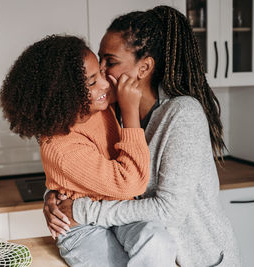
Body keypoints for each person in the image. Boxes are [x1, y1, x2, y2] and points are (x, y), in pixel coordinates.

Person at [44, 5, 242, 267]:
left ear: (144, 67)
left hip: (200, 259)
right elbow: (82, 167)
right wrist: (52, 197)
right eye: (100, 60)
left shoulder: (182, 115)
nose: (101, 71)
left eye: (110, 62)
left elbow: (168, 211)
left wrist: (80, 210)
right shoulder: (111, 112)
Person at [0, 34, 177, 266]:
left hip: (117, 210)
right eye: (93, 82)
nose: (105, 83)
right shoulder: (61, 147)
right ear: (64, 97)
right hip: (80, 224)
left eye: (102, 72)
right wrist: (130, 112)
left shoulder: (98, 103)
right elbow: (130, 183)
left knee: (158, 241)